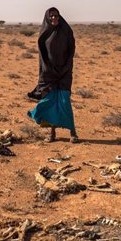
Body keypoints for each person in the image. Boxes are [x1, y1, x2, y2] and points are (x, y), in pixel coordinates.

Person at [27, 7, 78, 143]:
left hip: (64, 72)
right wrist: (48, 70)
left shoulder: (66, 31)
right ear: (47, 18)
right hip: (49, 73)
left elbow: (71, 51)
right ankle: (52, 133)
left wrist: (65, 68)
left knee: (64, 101)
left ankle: (73, 132)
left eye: (56, 16)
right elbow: (42, 56)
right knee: (49, 103)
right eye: (51, 17)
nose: (54, 18)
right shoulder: (44, 33)